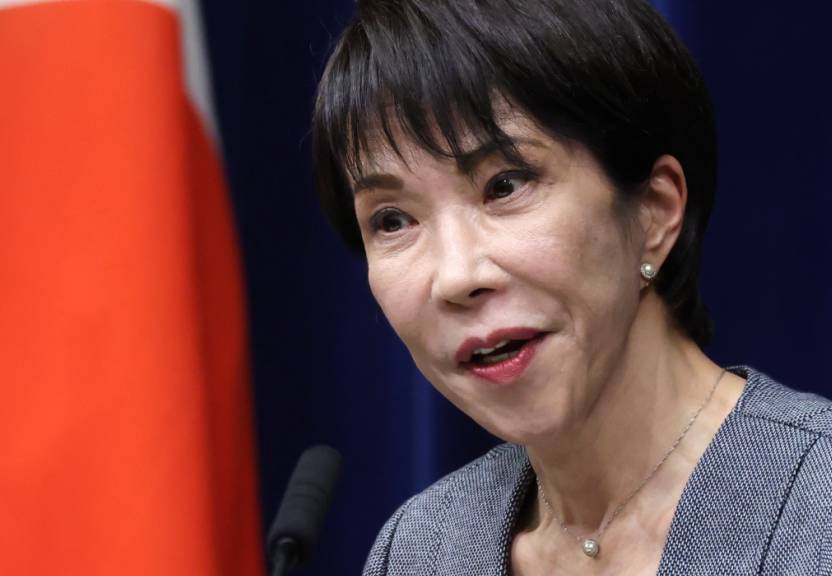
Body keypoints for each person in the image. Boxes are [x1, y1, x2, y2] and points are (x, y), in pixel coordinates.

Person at [311, 0, 832, 574]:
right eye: (392, 221)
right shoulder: (419, 551)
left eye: (505, 185)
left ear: (654, 211)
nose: (456, 277)